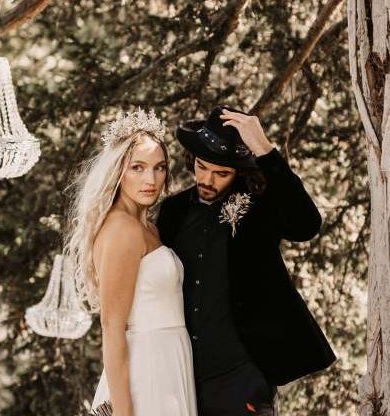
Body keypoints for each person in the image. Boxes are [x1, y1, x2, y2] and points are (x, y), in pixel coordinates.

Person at [156, 104, 337, 416]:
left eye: (221, 172)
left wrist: (265, 150)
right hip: (181, 374)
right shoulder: (172, 211)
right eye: (202, 167)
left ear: (238, 171)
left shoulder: (258, 207)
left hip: (242, 374)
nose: (208, 179)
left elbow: (306, 225)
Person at [65, 107, 198, 416]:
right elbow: (112, 326)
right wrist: (124, 413)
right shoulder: (122, 229)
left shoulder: (147, 226)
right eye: (137, 167)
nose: (150, 179)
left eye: (159, 167)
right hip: (147, 367)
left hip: (169, 360)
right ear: (118, 171)